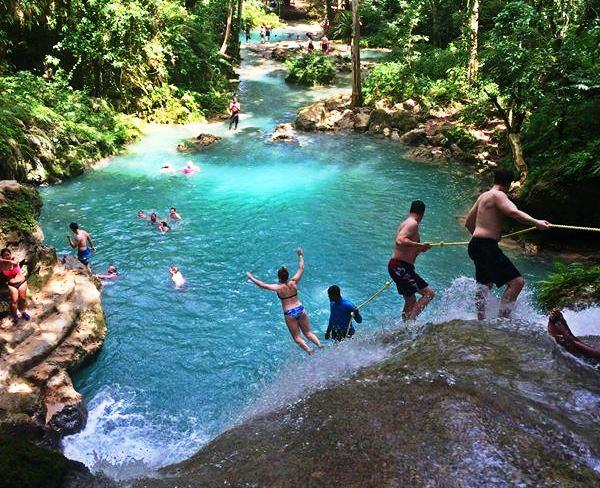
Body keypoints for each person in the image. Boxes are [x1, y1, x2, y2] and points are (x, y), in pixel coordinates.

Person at [465, 168, 550, 319]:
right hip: (485, 246)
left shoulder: (484, 196)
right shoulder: (499, 195)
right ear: (509, 184)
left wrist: (481, 237)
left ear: (494, 180)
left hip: (476, 245)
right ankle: (501, 321)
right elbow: (513, 212)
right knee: (517, 282)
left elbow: (468, 223)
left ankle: (480, 320)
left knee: (485, 284)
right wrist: (536, 222)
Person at [246, 248, 324, 354]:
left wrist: (251, 277)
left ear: (278, 276)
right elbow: (301, 268)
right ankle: (319, 345)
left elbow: (262, 285)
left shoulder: (278, 287)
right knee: (308, 332)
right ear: (287, 275)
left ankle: (309, 350)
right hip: (300, 309)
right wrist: (300, 255)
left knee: (297, 337)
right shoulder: (294, 282)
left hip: (289, 313)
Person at [388, 200, 435, 321]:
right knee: (429, 293)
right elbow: (400, 240)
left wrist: (421, 249)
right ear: (422, 213)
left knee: (410, 300)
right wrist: (419, 245)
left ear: (411, 210)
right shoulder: (412, 224)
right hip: (400, 266)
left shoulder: (407, 222)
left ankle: (405, 327)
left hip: (398, 266)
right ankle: (411, 324)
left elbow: (407, 247)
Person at [0, 248, 31, 323]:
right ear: (2, 256)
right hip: (11, 284)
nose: (7, 256)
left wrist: (3, 260)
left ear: (11, 254)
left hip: (22, 282)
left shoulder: (14, 259)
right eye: (5, 255)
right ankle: (15, 315)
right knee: (14, 301)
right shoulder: (1, 265)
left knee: (23, 299)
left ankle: (23, 312)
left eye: (8, 254)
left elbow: (14, 263)